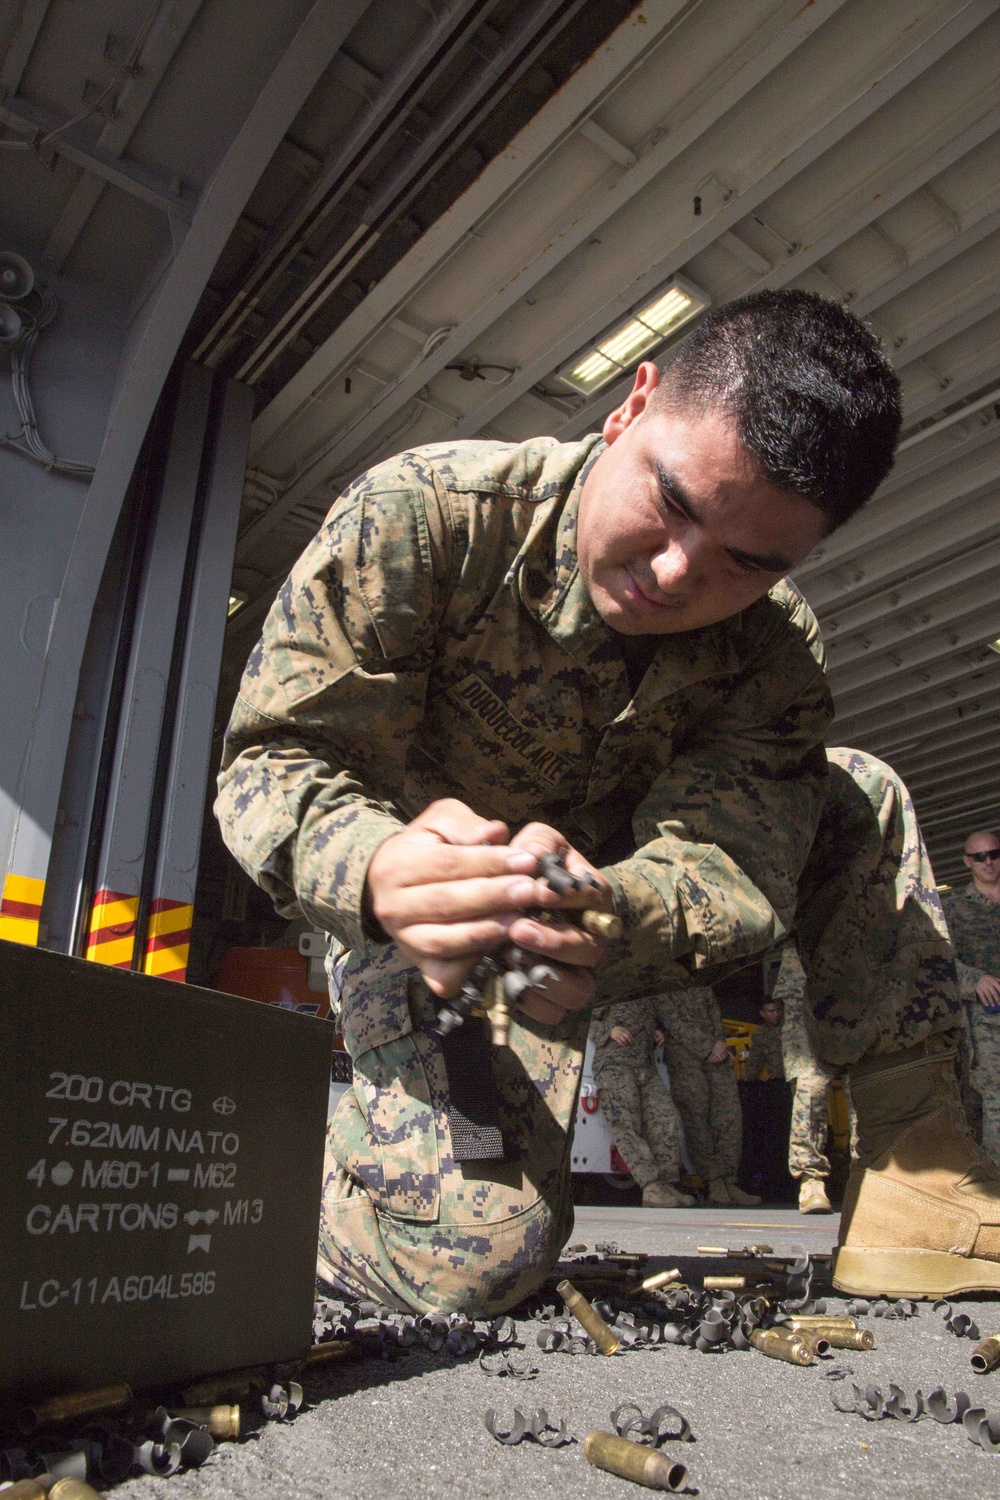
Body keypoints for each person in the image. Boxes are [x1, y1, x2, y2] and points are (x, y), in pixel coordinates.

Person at [217, 288, 972, 1315]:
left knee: (856, 794)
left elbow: (731, 858)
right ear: (632, 403)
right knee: (470, 1262)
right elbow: (275, 758)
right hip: (434, 938)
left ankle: (925, 1177)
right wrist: (379, 869)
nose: (675, 572)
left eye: (747, 563)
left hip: (605, 933)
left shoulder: (772, 652)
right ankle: (272, 1190)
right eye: (674, 504)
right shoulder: (428, 519)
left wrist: (606, 913)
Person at [657, 986, 759, 1206]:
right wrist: (708, 1046)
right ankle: (714, 1181)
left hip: (716, 1055)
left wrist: (719, 1045)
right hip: (685, 1057)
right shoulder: (664, 983)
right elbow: (673, 1021)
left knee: (729, 1117)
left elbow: (715, 1015)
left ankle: (729, 1180)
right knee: (696, 1119)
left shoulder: (701, 984)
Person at [589, 998, 693, 1207]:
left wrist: (656, 1033)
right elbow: (581, 1018)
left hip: (645, 1065)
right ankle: (651, 1186)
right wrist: (609, 1030)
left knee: (667, 1117)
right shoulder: (612, 987)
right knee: (626, 1124)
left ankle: (666, 1184)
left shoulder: (649, 994)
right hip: (615, 1064)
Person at [942, 832, 1000, 1164]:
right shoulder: (954, 909)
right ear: (967, 861)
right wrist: (974, 979)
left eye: (994, 854)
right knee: (994, 1101)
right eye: (980, 857)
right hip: (986, 1023)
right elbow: (940, 962)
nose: (988, 862)